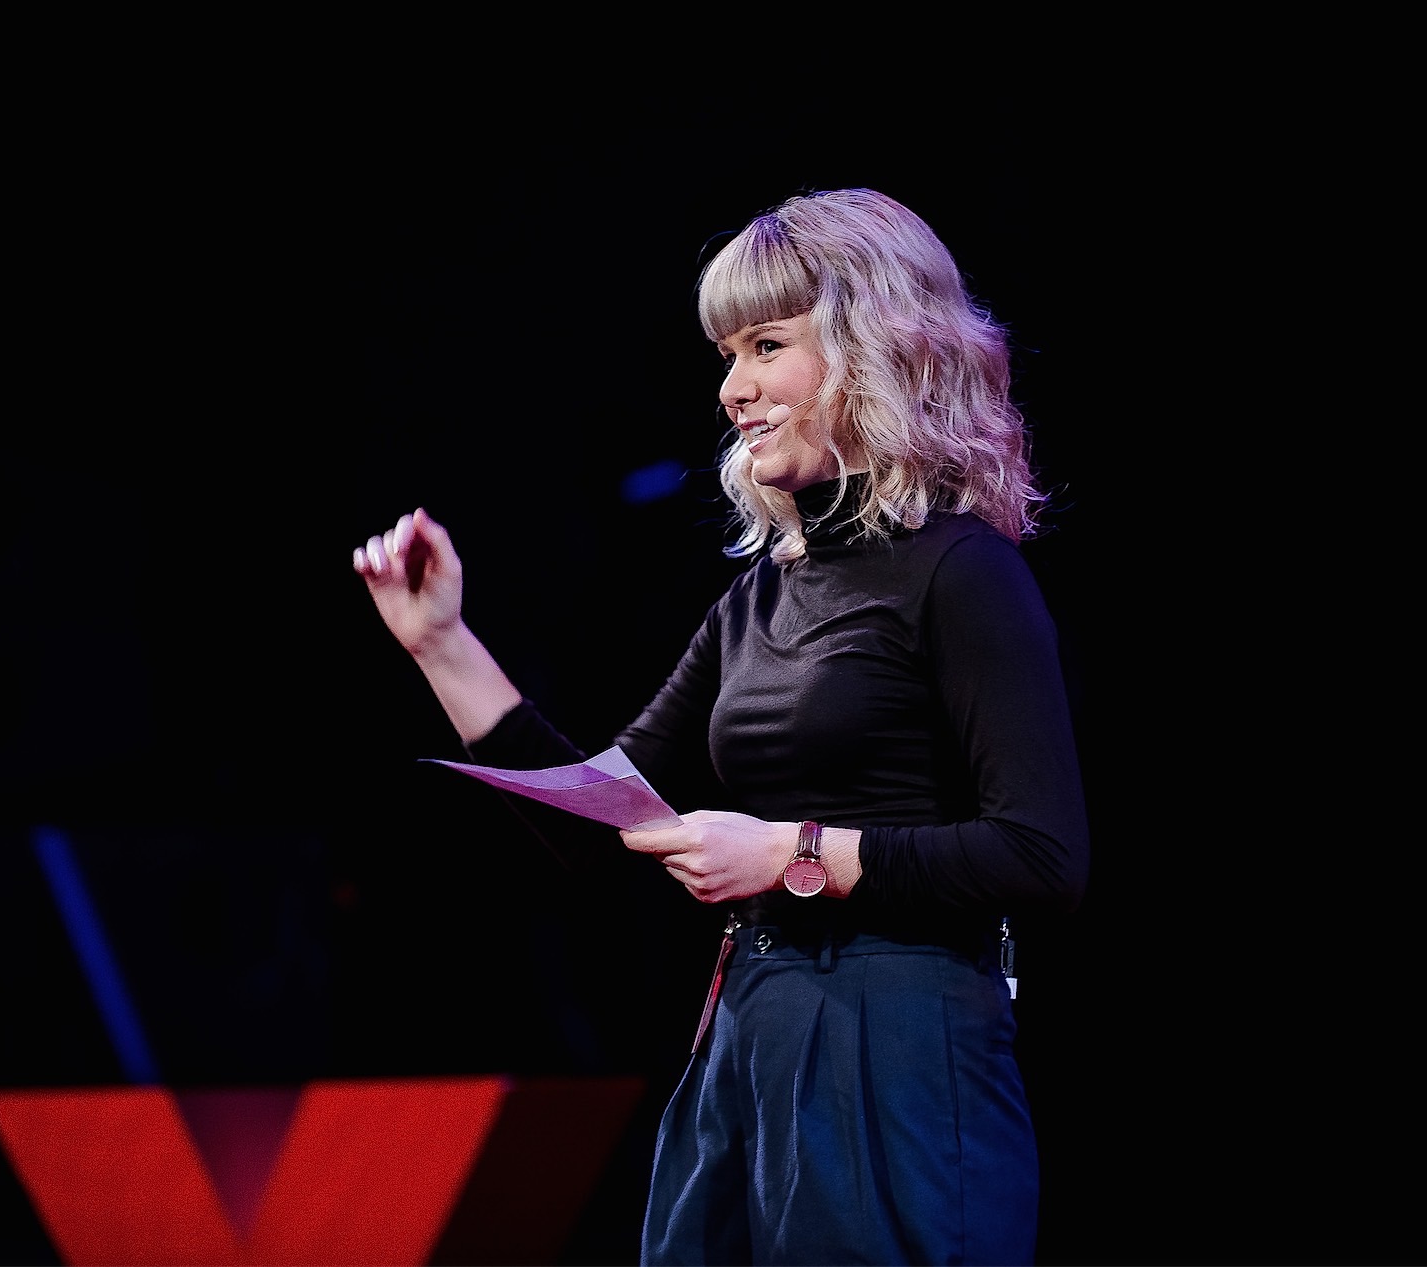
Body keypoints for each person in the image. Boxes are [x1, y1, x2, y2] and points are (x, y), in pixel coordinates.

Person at [351, 187, 1089, 1266]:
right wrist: (442, 644)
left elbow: (1043, 855)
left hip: (899, 1049)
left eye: (766, 345)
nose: (733, 388)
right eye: (725, 353)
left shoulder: (964, 574)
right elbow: (605, 819)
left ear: (873, 344)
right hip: (754, 1032)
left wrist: (791, 855)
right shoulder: (758, 599)